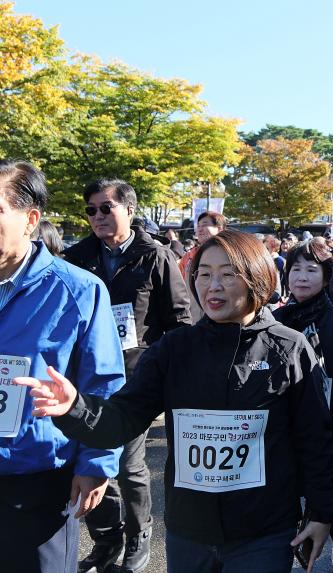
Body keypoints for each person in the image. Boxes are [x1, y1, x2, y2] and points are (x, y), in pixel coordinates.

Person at [17, 229, 333, 572]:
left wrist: (323, 513)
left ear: (256, 277)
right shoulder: (174, 349)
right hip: (189, 530)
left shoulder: (288, 348)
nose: (212, 286)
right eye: (204, 274)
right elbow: (123, 418)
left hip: (263, 531)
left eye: (227, 274)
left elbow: (316, 439)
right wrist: (75, 408)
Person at [0, 160, 125, 573]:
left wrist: (96, 465)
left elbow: (105, 386)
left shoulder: (78, 290)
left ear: (30, 219)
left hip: (36, 481)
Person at [64, 178, 192, 573]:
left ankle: (139, 534)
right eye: (91, 210)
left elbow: (180, 320)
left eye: (106, 208)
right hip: (86, 379)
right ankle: (107, 538)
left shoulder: (156, 256)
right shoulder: (76, 257)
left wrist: (166, 373)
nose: (97, 216)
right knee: (90, 458)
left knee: (129, 466)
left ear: (129, 210)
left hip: (136, 378)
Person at [274, 238, 333, 572]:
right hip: (284, 425)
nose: (302, 277)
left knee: (331, 494)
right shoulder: (276, 319)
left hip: (332, 425)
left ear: (326, 277)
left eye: (312, 270)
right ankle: (292, 548)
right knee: (284, 491)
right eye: (296, 269)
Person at [180, 211, 227, 322]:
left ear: (220, 229)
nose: (200, 229)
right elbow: (179, 287)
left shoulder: (231, 254)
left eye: (205, 225)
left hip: (223, 319)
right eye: (199, 226)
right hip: (194, 319)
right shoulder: (188, 256)